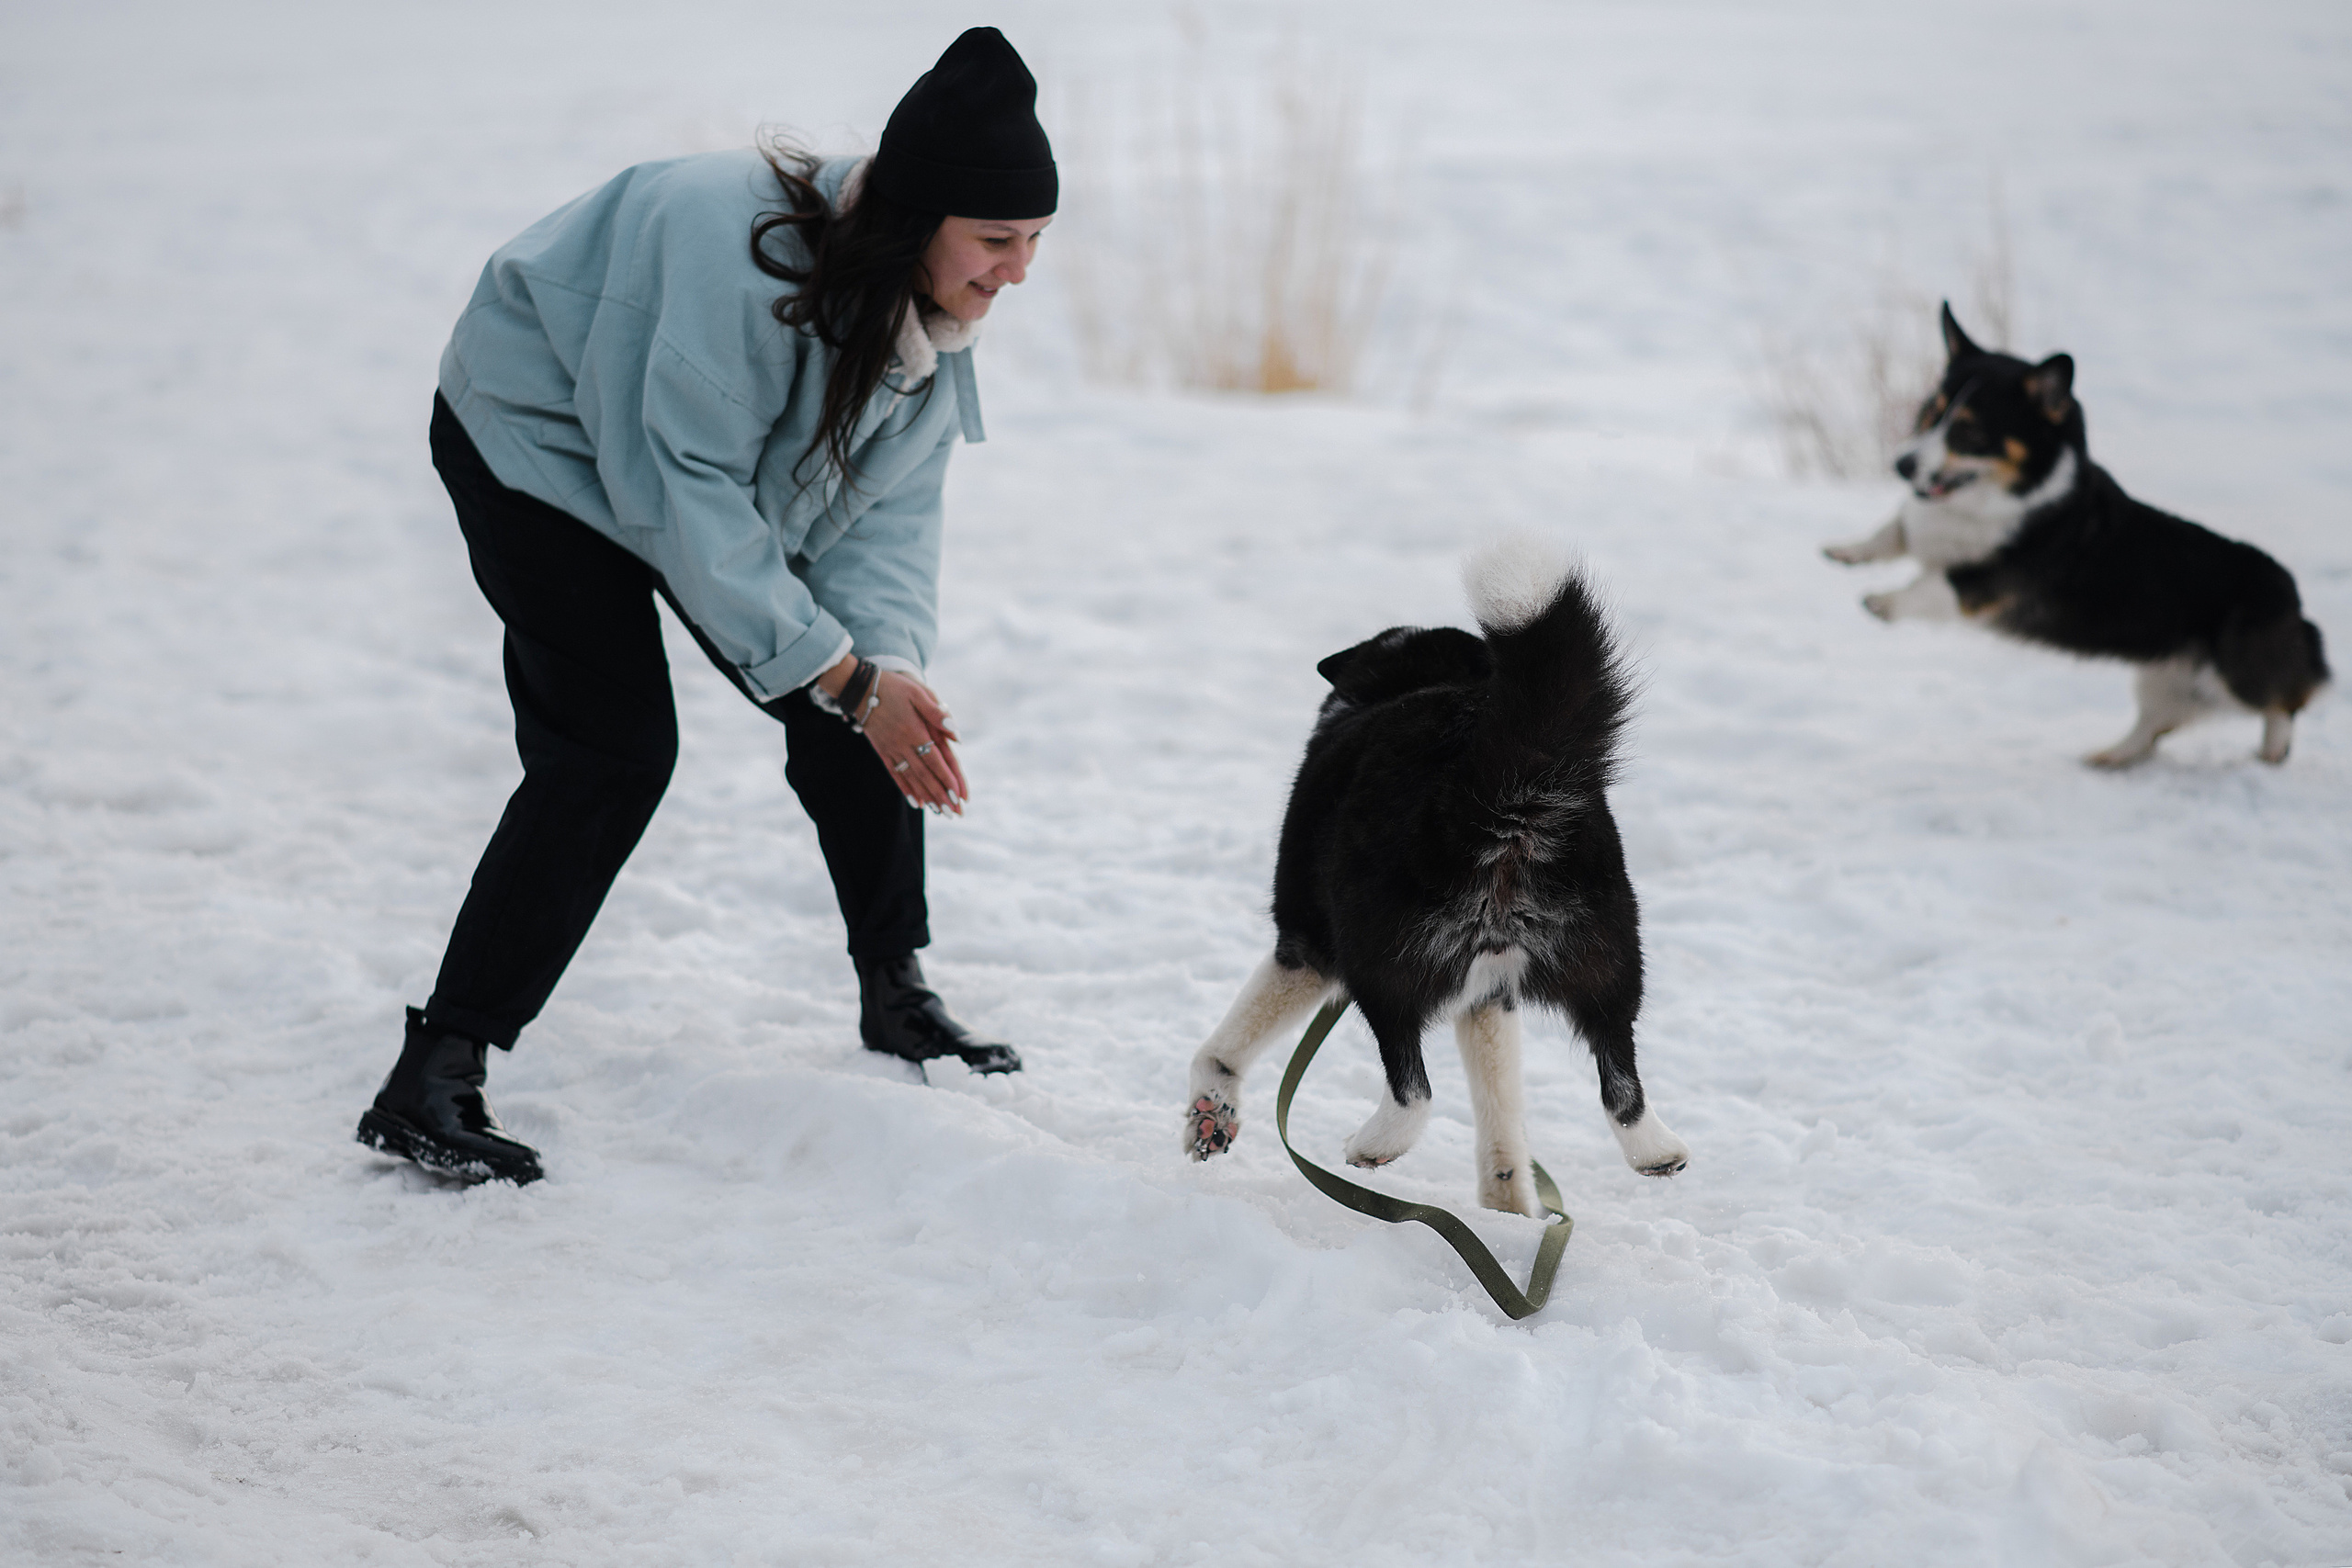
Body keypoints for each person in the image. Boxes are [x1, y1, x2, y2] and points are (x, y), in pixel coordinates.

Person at [355, 28, 1055, 1185]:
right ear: (921, 214)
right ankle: (435, 1071)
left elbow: (884, 529)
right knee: (611, 749)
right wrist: (843, 676)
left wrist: (880, 670)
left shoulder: (931, 332)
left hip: (692, 478)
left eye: (1035, 242)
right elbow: (679, 493)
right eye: (996, 240)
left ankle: (896, 991)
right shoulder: (730, 255)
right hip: (534, 444)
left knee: (861, 695)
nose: (1017, 272)